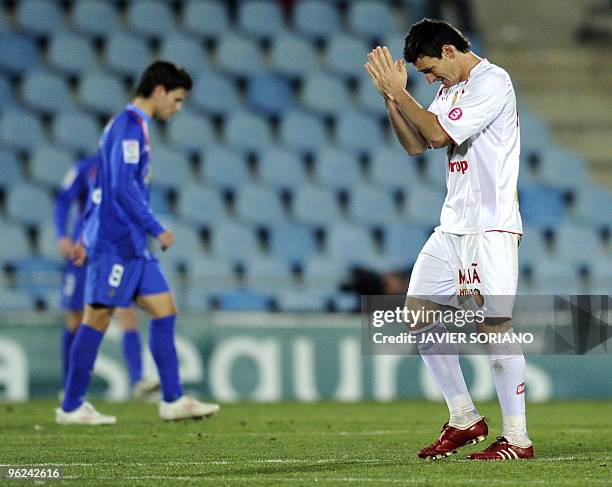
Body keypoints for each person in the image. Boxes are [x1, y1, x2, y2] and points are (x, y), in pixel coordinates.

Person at [364, 19, 533, 460]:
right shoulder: (450, 89)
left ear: (449, 51)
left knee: (493, 326)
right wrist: (390, 98)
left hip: (489, 226)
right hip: (453, 226)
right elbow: (417, 145)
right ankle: (464, 417)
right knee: (417, 314)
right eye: (422, 75)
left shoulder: (492, 81)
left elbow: (438, 133)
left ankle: (517, 438)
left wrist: (402, 93)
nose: (429, 79)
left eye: (429, 70)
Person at [55, 61, 220, 425]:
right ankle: (70, 406)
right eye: (176, 100)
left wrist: (83, 232)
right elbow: (121, 188)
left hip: (131, 245)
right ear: (159, 91)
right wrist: (155, 226)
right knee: (96, 318)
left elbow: (100, 189)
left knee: (165, 311)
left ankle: (173, 399)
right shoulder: (129, 127)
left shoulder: (132, 127)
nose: (178, 108)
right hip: (115, 242)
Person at [55, 155, 159, 399]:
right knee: (77, 317)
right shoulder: (86, 167)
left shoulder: (134, 170)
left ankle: (138, 380)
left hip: (118, 250)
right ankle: (68, 385)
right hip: (85, 251)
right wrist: (62, 235)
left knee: (128, 312)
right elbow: (63, 200)